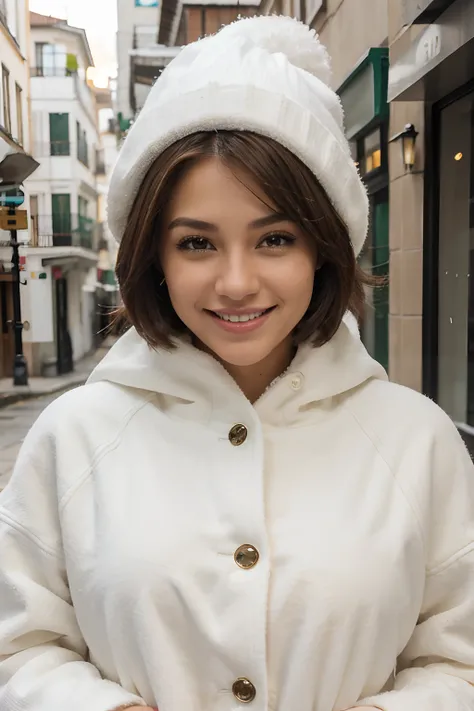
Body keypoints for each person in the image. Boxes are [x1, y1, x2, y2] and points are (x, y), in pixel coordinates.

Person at [0, 15, 473, 711]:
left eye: (274, 238)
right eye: (197, 243)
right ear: (153, 256)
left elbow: (458, 655)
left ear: (323, 245)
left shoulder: (416, 440)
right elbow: (21, 644)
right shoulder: (74, 437)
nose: (236, 281)